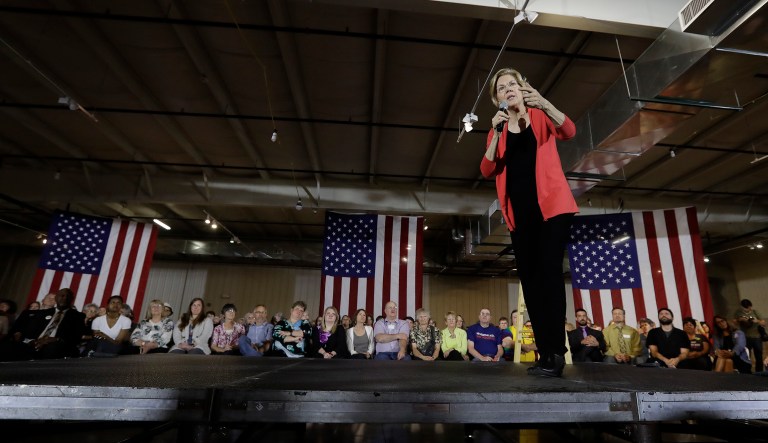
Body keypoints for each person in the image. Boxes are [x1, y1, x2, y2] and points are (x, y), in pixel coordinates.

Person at [480, 68, 577, 377]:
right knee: (531, 281)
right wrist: (495, 133)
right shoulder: (497, 128)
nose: (508, 89)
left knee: (549, 273)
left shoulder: (538, 115)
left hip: (551, 208)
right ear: (496, 98)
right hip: (519, 216)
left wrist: (544, 102)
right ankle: (546, 353)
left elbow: (569, 131)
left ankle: (557, 353)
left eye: (513, 84)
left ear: (522, 88)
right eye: (501, 88)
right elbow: (486, 168)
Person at [0, 288, 85, 361]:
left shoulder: (78, 316)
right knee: (10, 346)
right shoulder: (42, 313)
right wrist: (30, 340)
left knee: (51, 348)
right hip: (35, 342)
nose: (65, 298)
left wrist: (55, 339)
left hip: (56, 345)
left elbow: (76, 337)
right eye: (62, 295)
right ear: (56, 298)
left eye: (68, 296)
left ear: (72, 299)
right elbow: (30, 330)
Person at [733, 299, 765, 372]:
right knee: (746, 356)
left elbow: (763, 323)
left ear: (750, 306)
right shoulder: (738, 312)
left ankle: (759, 371)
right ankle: (747, 371)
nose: (747, 309)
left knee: (759, 356)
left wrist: (757, 321)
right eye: (745, 308)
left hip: (756, 336)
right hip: (745, 337)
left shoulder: (755, 312)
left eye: (748, 307)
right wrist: (740, 319)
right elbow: (734, 322)